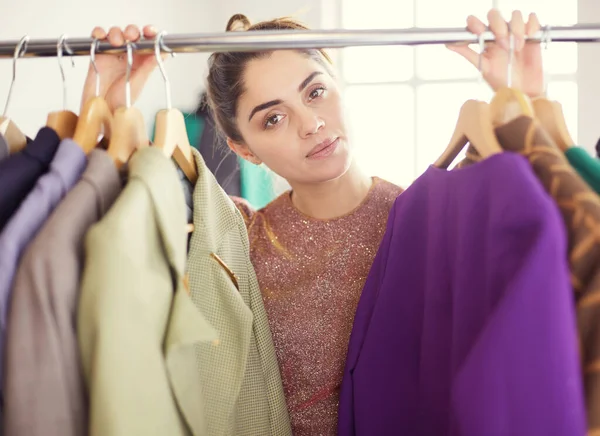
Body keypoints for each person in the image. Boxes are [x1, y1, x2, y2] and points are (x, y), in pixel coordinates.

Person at [83, 8, 545, 435]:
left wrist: (527, 100)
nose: (310, 124)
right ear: (243, 148)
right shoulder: (231, 245)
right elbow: (109, 255)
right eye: (274, 118)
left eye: (315, 92)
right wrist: (102, 111)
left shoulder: (433, 225)